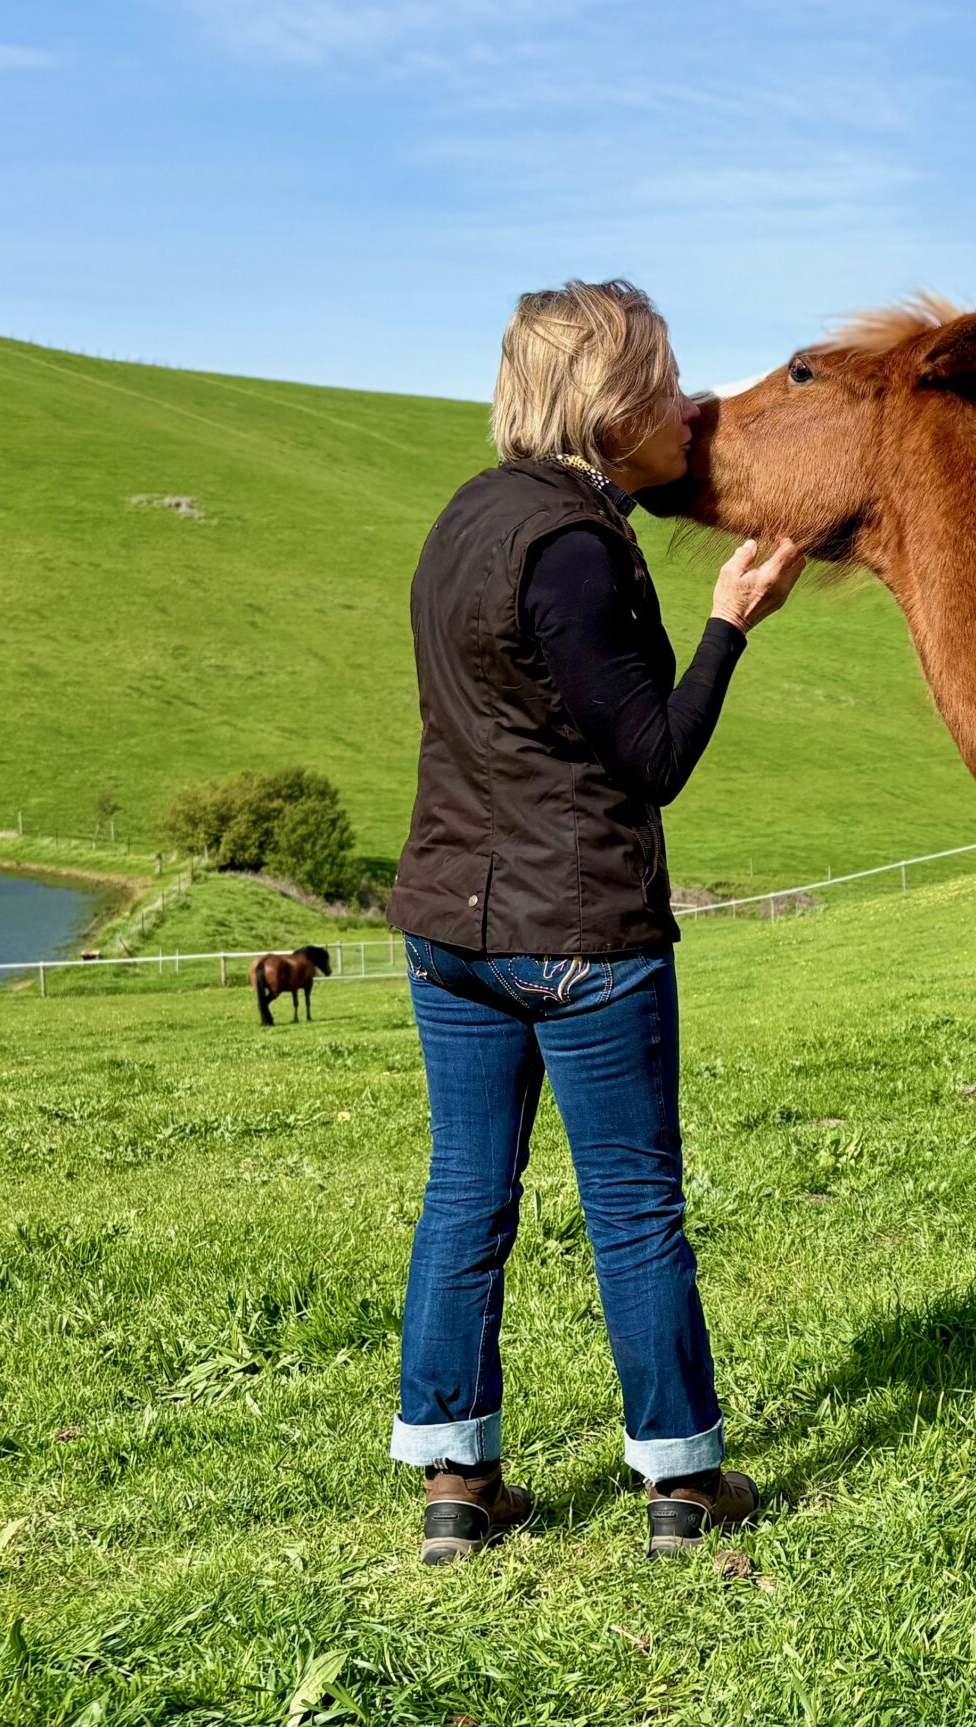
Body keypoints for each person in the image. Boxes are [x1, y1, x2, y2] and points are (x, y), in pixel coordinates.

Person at [386, 278, 805, 1565]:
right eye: (671, 385)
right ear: (614, 408)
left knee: (466, 1190)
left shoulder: (466, 516)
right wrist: (731, 625)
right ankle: (679, 1481)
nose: (694, 407)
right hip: (581, 931)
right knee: (632, 1206)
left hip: (448, 922)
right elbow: (653, 753)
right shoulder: (573, 549)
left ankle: (458, 1481)